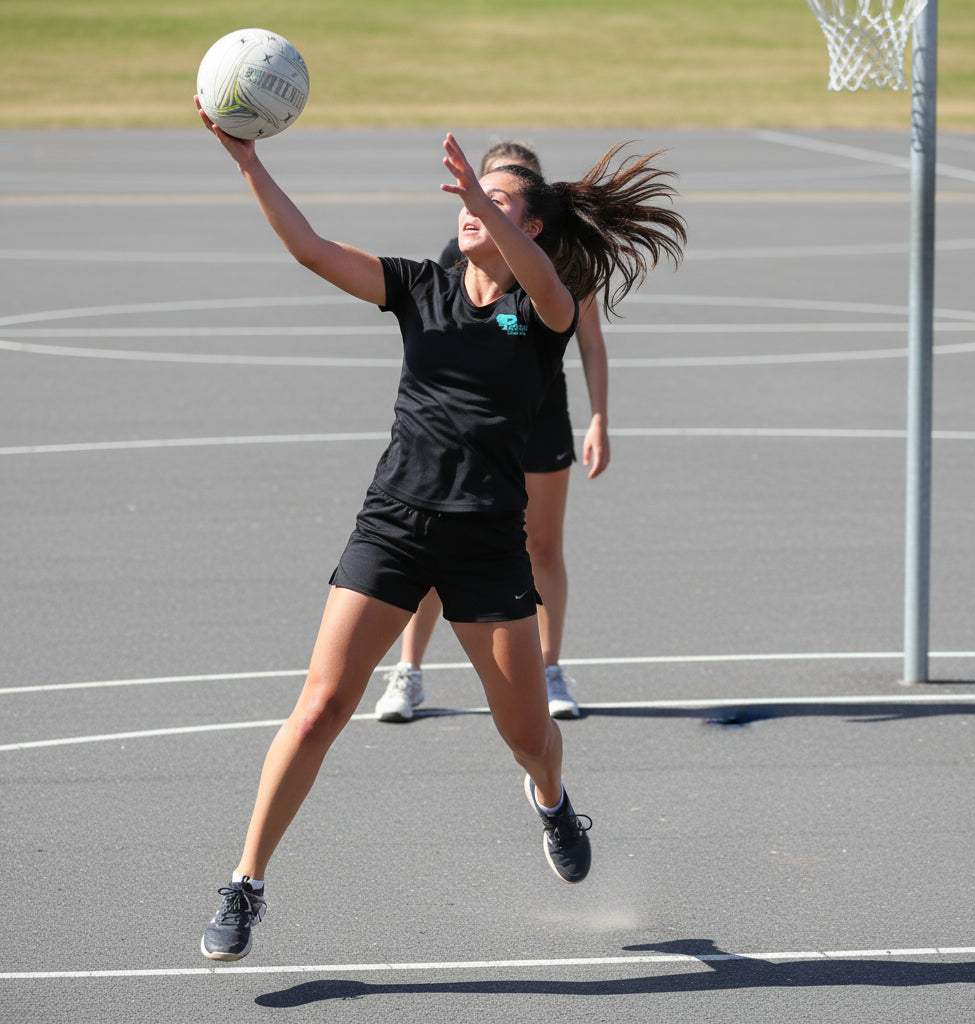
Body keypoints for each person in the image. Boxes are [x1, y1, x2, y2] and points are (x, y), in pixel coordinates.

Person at [194, 98, 687, 962]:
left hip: (488, 542)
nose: (470, 208)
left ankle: (552, 801)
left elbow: (543, 280)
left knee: (528, 738)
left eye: (495, 202)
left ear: (528, 224)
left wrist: (488, 196)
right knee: (318, 710)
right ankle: (245, 883)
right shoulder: (418, 286)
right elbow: (311, 249)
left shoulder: (546, 310)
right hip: (394, 523)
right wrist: (247, 161)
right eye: (466, 198)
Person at [374, 141, 610, 724]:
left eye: (497, 195)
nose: (477, 203)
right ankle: (409, 669)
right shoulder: (461, 250)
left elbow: (590, 341)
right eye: (478, 189)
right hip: (476, 425)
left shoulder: (562, 266)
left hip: (539, 416)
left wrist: (600, 416)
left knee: (542, 547)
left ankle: (549, 666)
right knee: (435, 543)